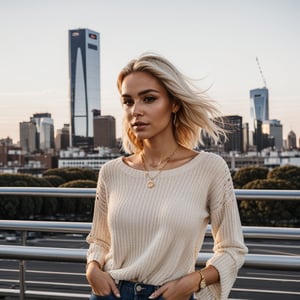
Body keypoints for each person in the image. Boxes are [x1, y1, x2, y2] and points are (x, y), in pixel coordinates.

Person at [86, 53, 248, 300]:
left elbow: (232, 249)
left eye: (149, 99)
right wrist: (92, 268)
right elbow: (99, 240)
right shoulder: (111, 172)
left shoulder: (209, 168)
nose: (136, 111)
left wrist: (195, 281)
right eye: (128, 102)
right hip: (111, 294)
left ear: (174, 103)